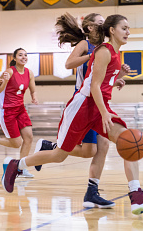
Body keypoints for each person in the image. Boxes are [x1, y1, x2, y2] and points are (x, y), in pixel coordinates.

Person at [2, 14, 143, 215]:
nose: (128, 32)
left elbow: (101, 82)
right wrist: (105, 112)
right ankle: (16, 165)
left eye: (129, 28)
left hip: (99, 106)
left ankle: (136, 195)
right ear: (112, 30)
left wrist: (117, 79)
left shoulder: (115, 54)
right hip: (82, 107)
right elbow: (94, 86)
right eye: (124, 28)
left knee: (128, 141)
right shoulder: (104, 51)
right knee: (59, 155)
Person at [35, 12, 128, 209]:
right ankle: (52, 151)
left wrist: (117, 77)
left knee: (90, 151)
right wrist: (91, 55)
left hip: (98, 100)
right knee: (94, 148)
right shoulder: (88, 45)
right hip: (84, 99)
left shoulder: (109, 49)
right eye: (100, 22)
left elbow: (102, 78)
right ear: (91, 27)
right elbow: (69, 64)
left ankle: (90, 191)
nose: (103, 25)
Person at [0, 48, 38, 178]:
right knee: (16, 143)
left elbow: (32, 89)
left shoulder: (29, 73)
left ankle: (22, 168)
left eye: (25, 55)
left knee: (29, 137)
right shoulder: (8, 72)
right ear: (14, 58)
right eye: (20, 55)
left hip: (20, 109)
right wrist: (3, 81)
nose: (23, 57)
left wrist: (34, 97)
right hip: (7, 111)